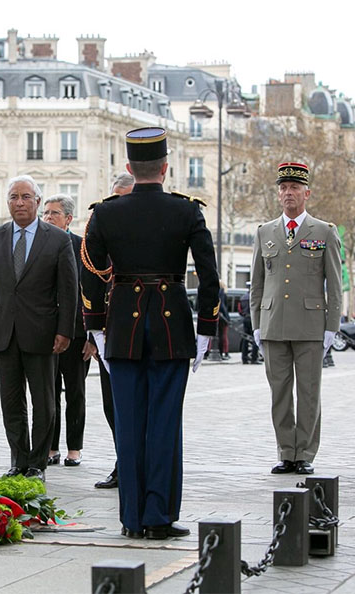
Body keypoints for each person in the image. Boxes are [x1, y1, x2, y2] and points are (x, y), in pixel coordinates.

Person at [81, 127, 218, 540]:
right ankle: (158, 514)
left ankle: (131, 518)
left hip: (122, 326)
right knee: (163, 422)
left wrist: (96, 326)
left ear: (129, 168)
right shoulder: (187, 210)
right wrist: (207, 328)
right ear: (165, 167)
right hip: (172, 327)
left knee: (127, 423)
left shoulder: (104, 212)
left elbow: (90, 272)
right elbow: (209, 275)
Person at [0, 174, 78, 482]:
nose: (19, 202)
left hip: (43, 333)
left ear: (37, 201)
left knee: (44, 400)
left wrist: (65, 330)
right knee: (10, 400)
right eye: (13, 197)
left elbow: (68, 289)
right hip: (2, 331)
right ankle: (18, 460)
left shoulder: (57, 239)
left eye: (25, 197)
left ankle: (37, 463)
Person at [250, 162, 342, 475]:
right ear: (279, 194)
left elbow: (335, 284)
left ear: (307, 193)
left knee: (308, 393)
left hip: (310, 326)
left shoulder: (324, 232)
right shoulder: (265, 232)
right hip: (274, 323)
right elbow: (257, 284)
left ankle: (304, 453)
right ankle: (285, 452)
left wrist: (332, 326)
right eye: (284, 188)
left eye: (295, 188)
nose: (289, 193)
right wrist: (257, 324)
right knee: (279, 394)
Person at [41, 194, 94, 468]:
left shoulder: (82, 248)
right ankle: (50, 447)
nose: (48, 218)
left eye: (54, 213)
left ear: (69, 219)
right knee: (48, 393)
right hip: (44, 334)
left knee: (75, 392)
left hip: (76, 334)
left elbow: (92, 292)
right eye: (46, 213)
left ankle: (74, 448)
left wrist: (92, 336)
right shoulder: (36, 245)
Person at [93, 173, 134, 490]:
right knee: (113, 405)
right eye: (116, 198)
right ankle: (123, 461)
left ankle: (137, 463)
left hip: (140, 328)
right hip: (109, 333)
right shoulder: (99, 231)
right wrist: (92, 333)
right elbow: (88, 282)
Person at [238, 282, 260, 364]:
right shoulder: (255, 297)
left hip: (245, 318)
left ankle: (244, 358)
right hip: (253, 318)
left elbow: (239, 310)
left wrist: (243, 315)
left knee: (245, 339)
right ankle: (254, 358)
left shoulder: (243, 297)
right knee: (255, 338)